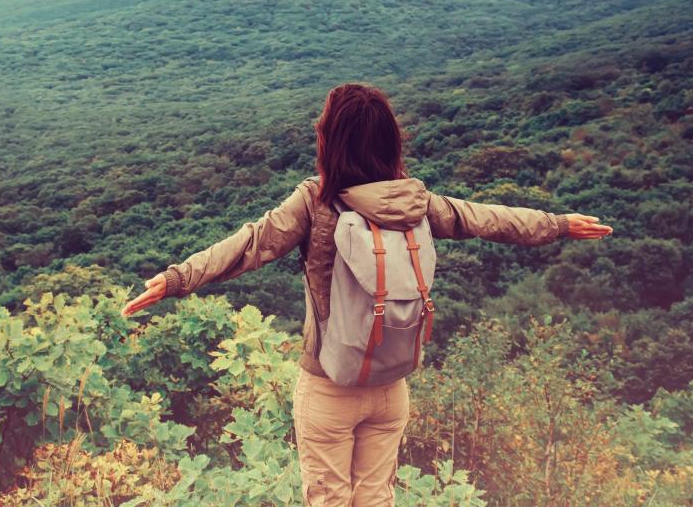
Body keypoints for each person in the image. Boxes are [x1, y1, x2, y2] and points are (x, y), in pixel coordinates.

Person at [121, 82, 613, 506]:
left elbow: (250, 244)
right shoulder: (414, 200)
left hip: (329, 387)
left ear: (330, 142)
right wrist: (557, 224)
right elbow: (484, 218)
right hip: (391, 385)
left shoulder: (316, 201)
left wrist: (177, 278)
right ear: (388, 141)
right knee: (377, 499)